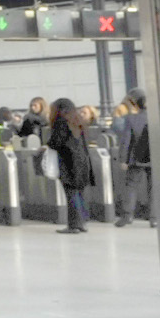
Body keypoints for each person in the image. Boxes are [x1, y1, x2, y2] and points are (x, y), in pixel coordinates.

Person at [51, 97, 93, 233]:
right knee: (80, 193)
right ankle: (82, 223)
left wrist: (45, 146)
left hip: (68, 162)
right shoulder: (79, 122)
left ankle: (73, 225)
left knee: (71, 194)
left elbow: (56, 142)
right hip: (83, 162)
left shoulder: (61, 122)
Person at [118, 92, 152, 226]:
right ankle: (154, 218)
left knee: (131, 186)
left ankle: (127, 216)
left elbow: (126, 140)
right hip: (154, 157)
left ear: (137, 105)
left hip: (136, 157)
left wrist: (123, 159)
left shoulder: (131, 119)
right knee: (153, 187)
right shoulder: (158, 118)